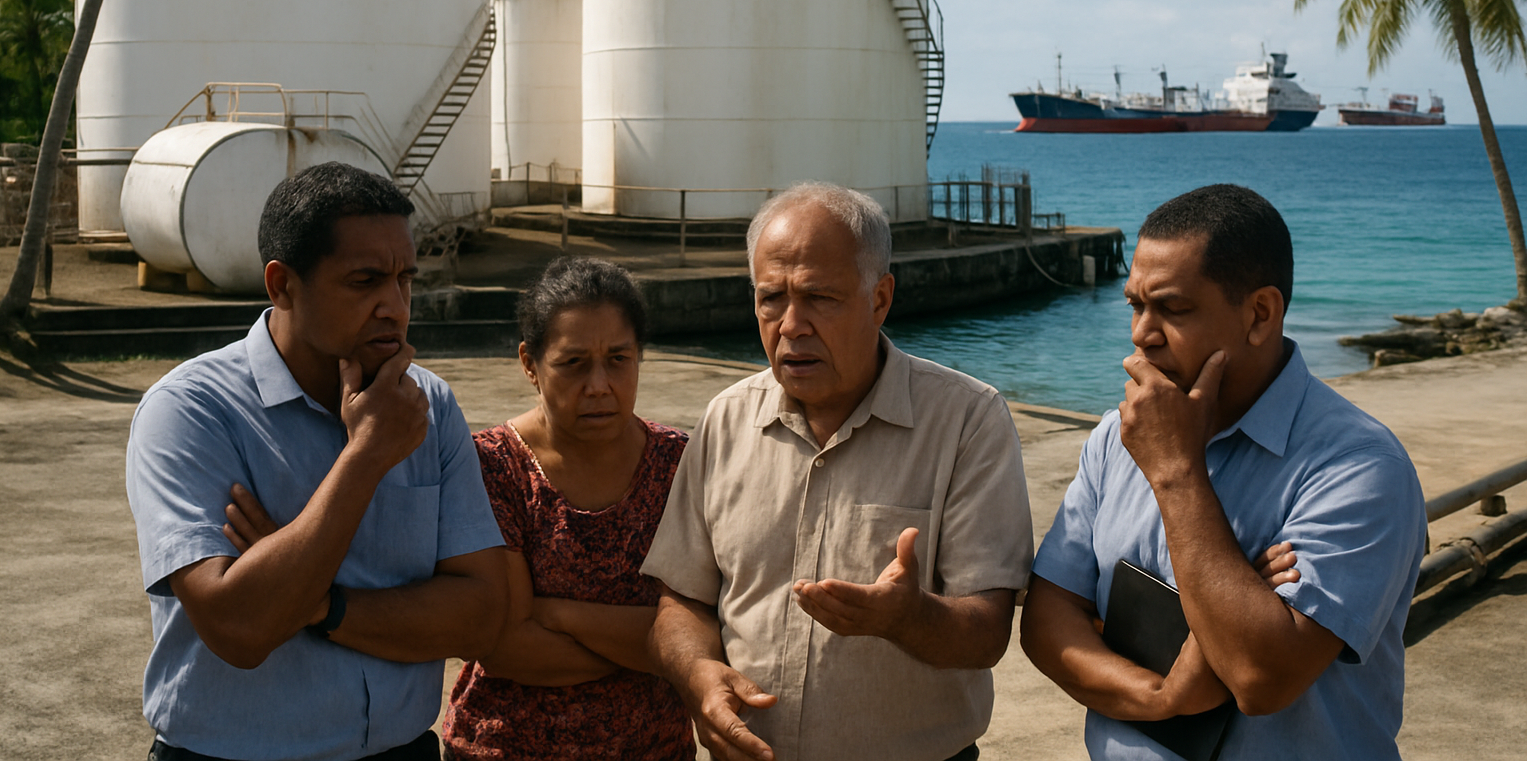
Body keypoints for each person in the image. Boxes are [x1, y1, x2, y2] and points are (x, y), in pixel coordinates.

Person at [1020, 184, 1427, 760]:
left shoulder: (1358, 467)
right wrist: (1162, 697)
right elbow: (1047, 619)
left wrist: (1177, 472)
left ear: (1260, 314)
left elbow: (1261, 678)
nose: (1142, 334)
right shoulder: (1116, 436)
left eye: (1173, 309)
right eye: (1135, 305)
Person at [125, 162, 509, 761]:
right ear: (282, 286)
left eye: (405, 279)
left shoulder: (428, 403)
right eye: (364, 281)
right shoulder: (190, 412)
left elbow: (483, 615)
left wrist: (316, 602)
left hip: (401, 751)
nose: (394, 306)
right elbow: (241, 629)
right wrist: (367, 457)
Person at [641, 181, 1035, 761]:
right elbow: (682, 601)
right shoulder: (725, 420)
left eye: (820, 298)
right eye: (770, 297)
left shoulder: (966, 421)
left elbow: (988, 631)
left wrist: (909, 617)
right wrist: (699, 675)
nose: (791, 325)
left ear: (880, 299)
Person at [443, 256, 694, 761]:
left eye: (619, 359)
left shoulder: (680, 463)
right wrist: (657, 650)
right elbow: (507, 647)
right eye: (574, 363)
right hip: (503, 747)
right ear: (529, 364)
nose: (599, 384)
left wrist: (555, 613)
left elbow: (699, 624)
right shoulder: (493, 465)